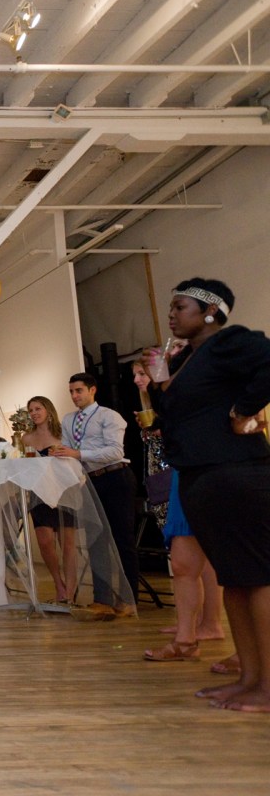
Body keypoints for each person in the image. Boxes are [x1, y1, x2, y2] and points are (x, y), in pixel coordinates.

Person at [146, 277, 270, 711]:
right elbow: (171, 412)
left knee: (257, 576)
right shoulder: (188, 358)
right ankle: (249, 678)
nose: (171, 315)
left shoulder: (229, 342)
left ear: (211, 311)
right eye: (171, 308)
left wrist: (243, 410)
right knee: (233, 579)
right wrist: (158, 380)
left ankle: (268, 686)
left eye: (180, 307)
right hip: (200, 475)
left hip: (235, 472)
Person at [133, 361, 225, 663]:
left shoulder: (206, 392)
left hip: (204, 476)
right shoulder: (167, 402)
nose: (139, 379)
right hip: (181, 477)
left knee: (216, 560)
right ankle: (186, 638)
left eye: (144, 372)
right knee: (183, 562)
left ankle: (213, 626)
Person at [50, 373, 138, 618]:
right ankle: (103, 599)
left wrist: (77, 454)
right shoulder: (69, 419)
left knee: (122, 539)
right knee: (95, 540)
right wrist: (60, 454)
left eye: (79, 390)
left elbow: (115, 451)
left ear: (92, 390)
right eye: (71, 391)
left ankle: (129, 599)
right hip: (90, 481)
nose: (74, 396)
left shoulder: (109, 416)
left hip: (115, 476)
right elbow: (69, 449)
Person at [21, 396, 78, 603]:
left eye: (38, 408)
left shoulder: (63, 434)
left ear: (48, 410)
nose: (34, 413)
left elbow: (74, 460)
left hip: (64, 491)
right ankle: (58, 583)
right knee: (45, 541)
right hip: (39, 492)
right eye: (31, 410)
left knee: (67, 543)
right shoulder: (26, 438)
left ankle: (70, 590)